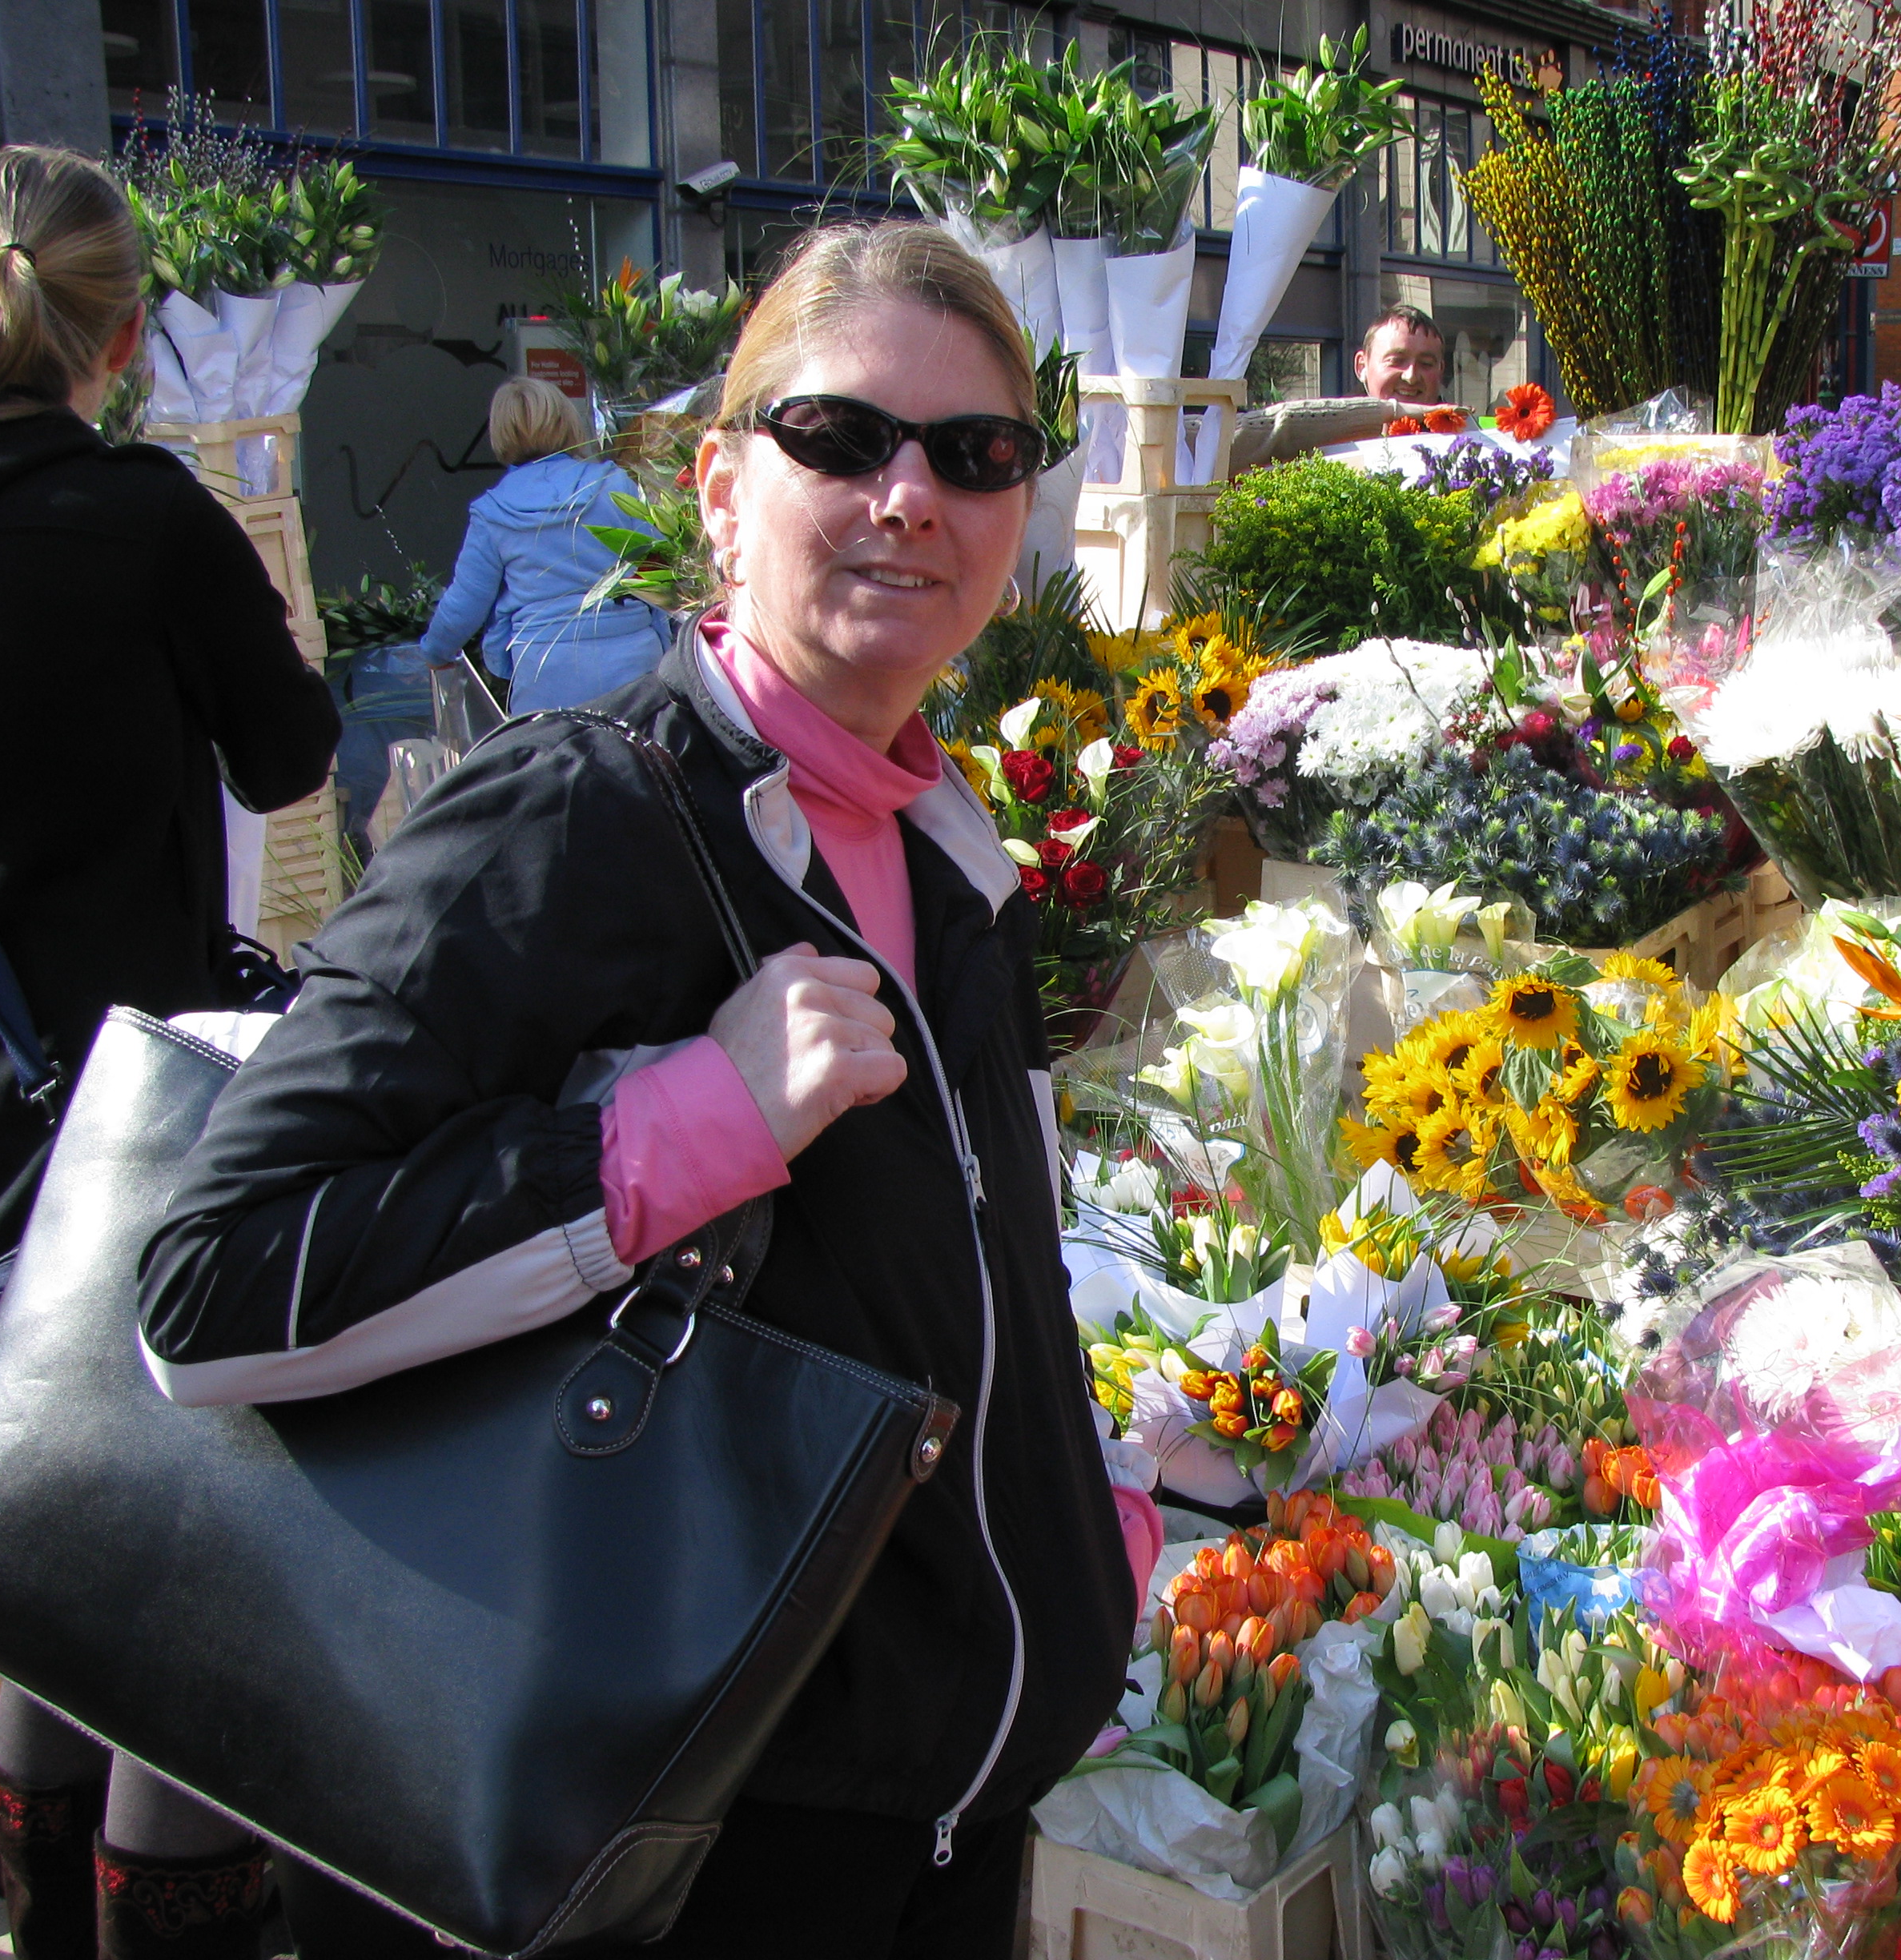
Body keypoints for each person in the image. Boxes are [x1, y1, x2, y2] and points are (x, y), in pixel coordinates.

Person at [135, 222, 1158, 1960]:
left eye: (977, 455)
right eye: (842, 439)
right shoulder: (574, 822)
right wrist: (682, 1129)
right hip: (692, 1861)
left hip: (946, 1834)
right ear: (717, 489)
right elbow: (212, 1288)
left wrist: (1061, 1506)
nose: (913, 496)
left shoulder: (941, 840)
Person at [0, 145, 339, 1960]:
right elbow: (291, 758)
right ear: (123, 333)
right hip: (108, 1117)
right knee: (141, 1556)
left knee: (18, 1536)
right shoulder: (138, 517)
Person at [416, 376, 673, 712]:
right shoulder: (617, 485)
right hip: (636, 668)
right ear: (567, 423)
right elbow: (658, 569)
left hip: (545, 674)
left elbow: (464, 604)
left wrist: (435, 653)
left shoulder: (493, 512)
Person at [1353, 303, 1445, 405]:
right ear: (1362, 367)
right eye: (1396, 361)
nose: (1411, 377)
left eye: (1426, 363)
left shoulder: (1462, 420)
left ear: (1440, 371)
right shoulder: (1336, 419)